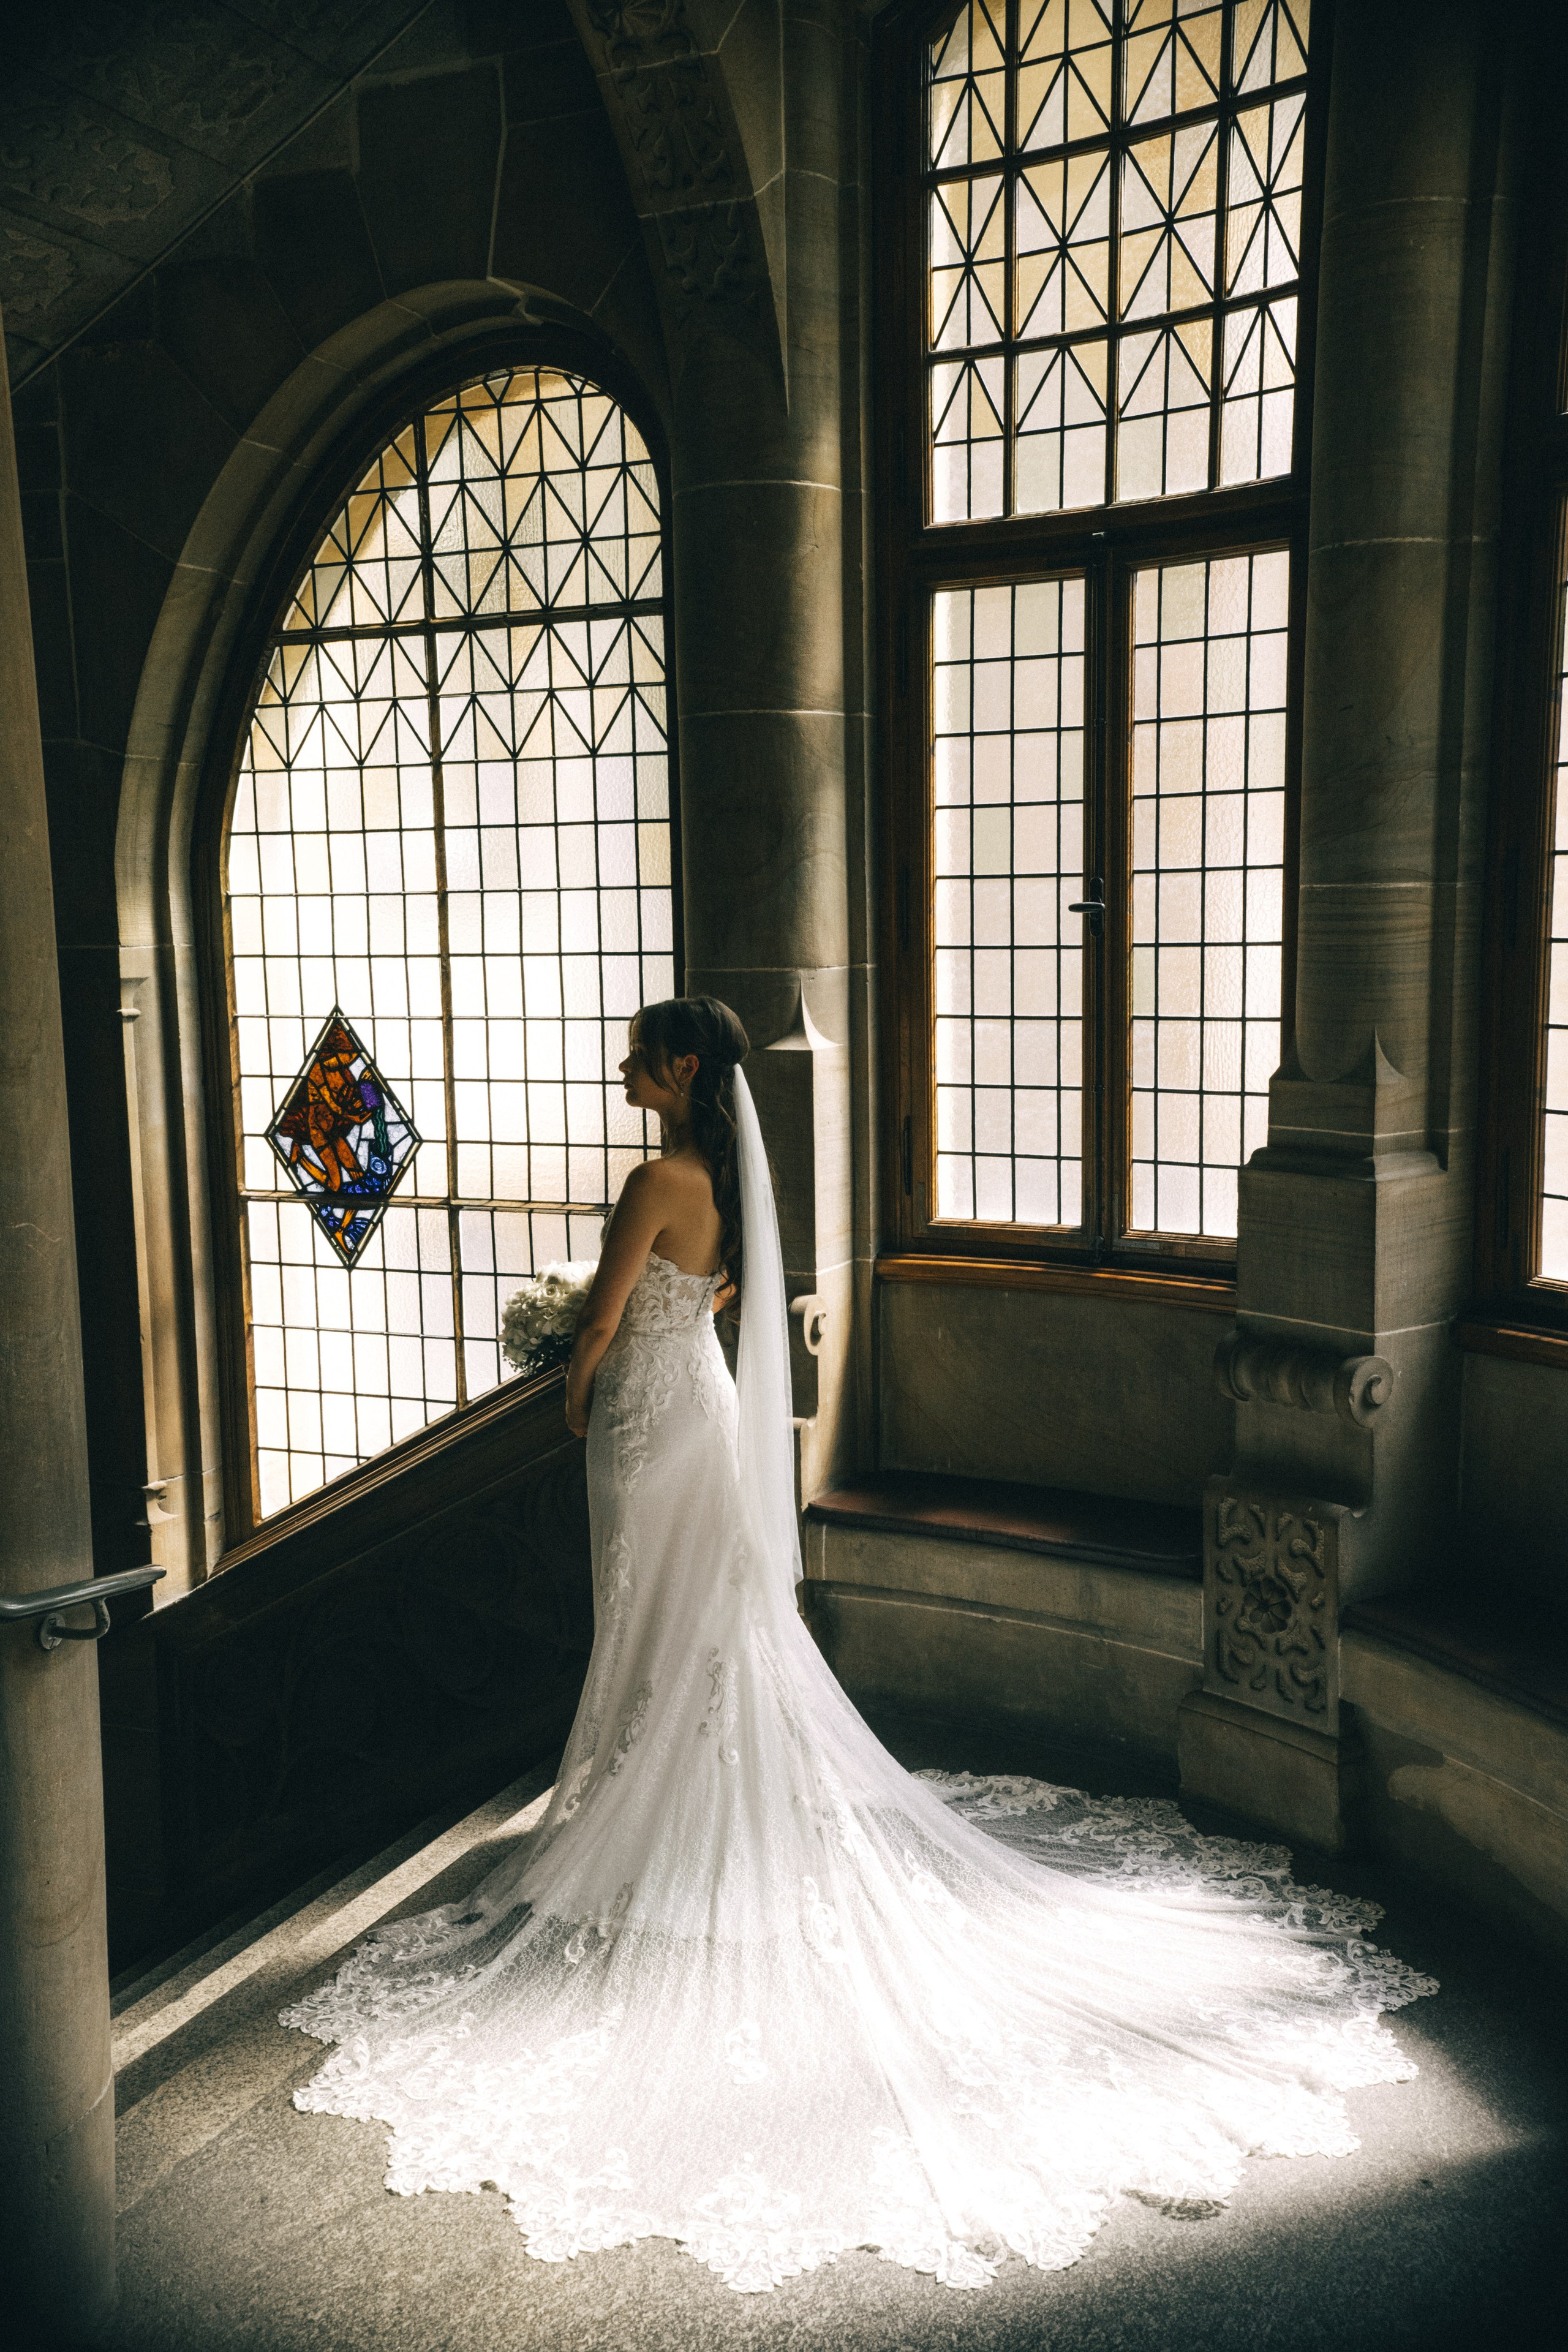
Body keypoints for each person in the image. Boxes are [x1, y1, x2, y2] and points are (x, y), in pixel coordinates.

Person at [281, 995, 1436, 2296]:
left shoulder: (652, 1174)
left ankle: (637, 1801)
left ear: (674, 1070)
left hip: (647, 1430)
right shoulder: (721, 1176)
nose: (619, 1068)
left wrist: (566, 1382)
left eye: (633, 1055)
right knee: (705, 1620)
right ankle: (687, 1790)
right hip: (703, 1418)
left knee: (647, 1612)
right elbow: (709, 1297)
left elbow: (604, 1318)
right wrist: (635, 1330)